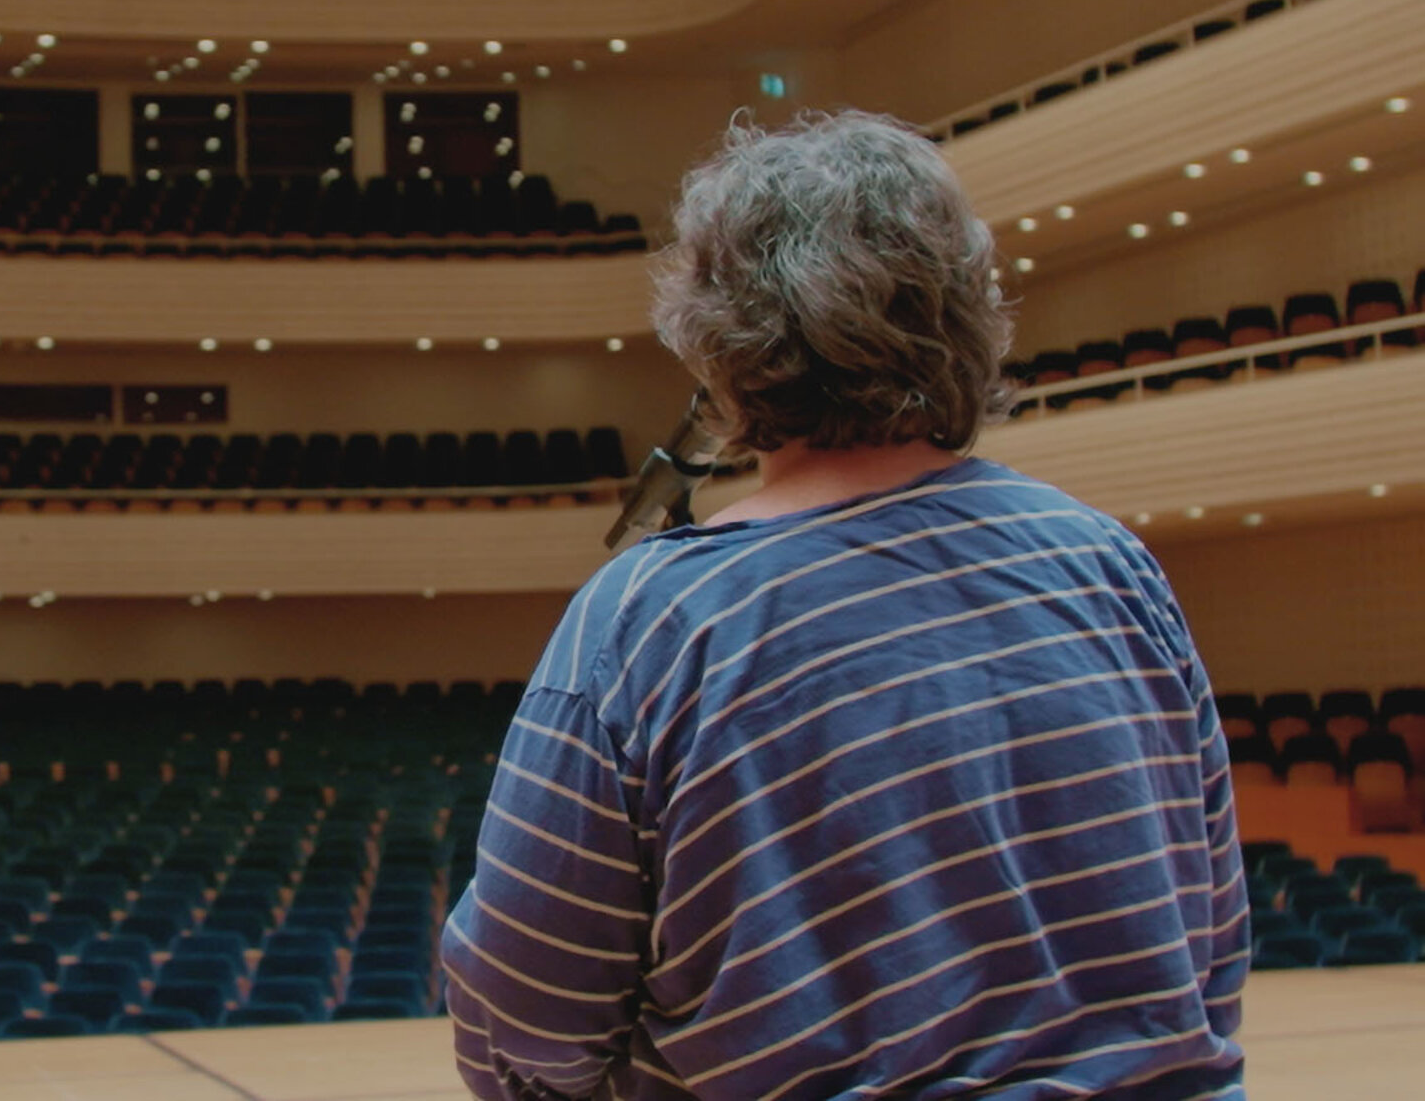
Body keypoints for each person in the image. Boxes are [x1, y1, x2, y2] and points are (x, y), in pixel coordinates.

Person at [440, 110, 1247, 1101]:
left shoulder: (653, 619)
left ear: (718, 345)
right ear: (964, 312)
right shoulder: (1108, 563)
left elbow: (522, 1007)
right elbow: (1207, 944)